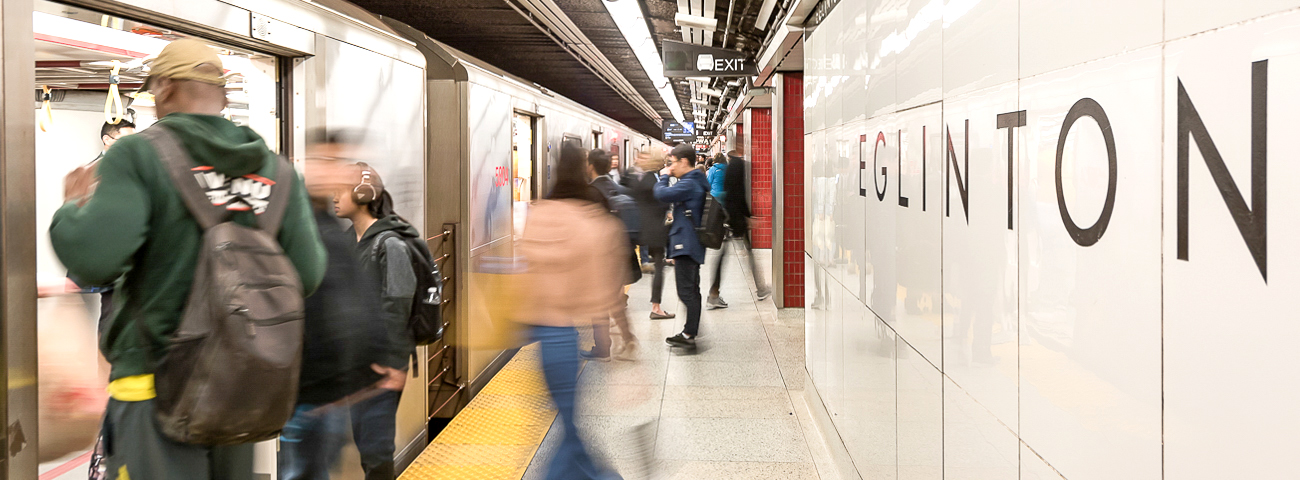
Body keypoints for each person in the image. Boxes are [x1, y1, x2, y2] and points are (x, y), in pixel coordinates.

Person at [49, 38, 327, 480]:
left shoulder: (138, 154)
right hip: (239, 384)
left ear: (163, 87)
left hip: (155, 385)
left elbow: (93, 260)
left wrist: (72, 209)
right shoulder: (276, 170)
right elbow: (308, 274)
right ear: (222, 94)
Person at [278, 130, 388, 480]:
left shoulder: (329, 227)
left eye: (337, 163)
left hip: (333, 392)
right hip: (305, 395)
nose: (332, 172)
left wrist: (375, 360)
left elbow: (354, 301)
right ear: (302, 164)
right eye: (323, 162)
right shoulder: (291, 223)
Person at [519, 142, 625, 480]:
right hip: (564, 338)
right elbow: (602, 290)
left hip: (542, 336)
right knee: (569, 428)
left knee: (569, 426)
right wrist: (625, 333)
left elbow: (526, 276)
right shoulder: (588, 217)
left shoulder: (538, 213)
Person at [333, 162, 418, 480]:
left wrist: (394, 364)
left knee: (375, 447)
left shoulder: (390, 244)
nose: (334, 198)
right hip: (358, 361)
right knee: (365, 440)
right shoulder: (348, 242)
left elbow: (399, 306)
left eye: (340, 192)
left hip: (382, 364)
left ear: (363, 195)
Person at [585, 149, 639, 361]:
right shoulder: (616, 187)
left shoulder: (591, 191)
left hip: (601, 256)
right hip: (622, 253)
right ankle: (628, 338)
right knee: (614, 300)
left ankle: (603, 348)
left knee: (598, 302)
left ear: (590, 166)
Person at [654, 144, 708, 348]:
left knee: (687, 291)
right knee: (692, 290)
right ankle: (689, 331)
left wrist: (664, 176)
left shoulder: (689, 183)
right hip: (690, 242)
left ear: (684, 162)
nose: (671, 166)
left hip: (686, 244)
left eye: (673, 162)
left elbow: (661, 195)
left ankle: (689, 335)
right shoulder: (695, 180)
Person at [707, 151, 772, 308]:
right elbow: (738, 194)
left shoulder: (730, 166)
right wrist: (747, 216)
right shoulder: (738, 166)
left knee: (728, 254)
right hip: (735, 217)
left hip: (728, 213)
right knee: (740, 253)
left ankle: (715, 293)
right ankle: (760, 288)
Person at [621, 152, 673, 319]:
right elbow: (663, 200)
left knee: (624, 263)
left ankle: (619, 298)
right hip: (653, 228)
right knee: (659, 266)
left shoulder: (635, 178)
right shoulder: (656, 179)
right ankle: (656, 308)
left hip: (634, 228)